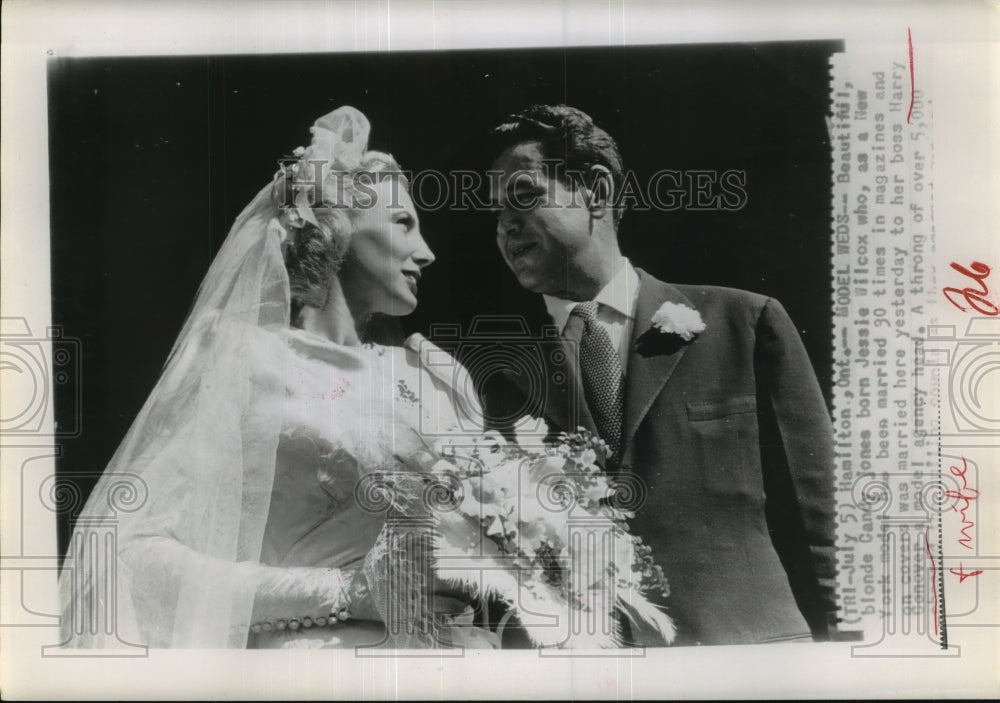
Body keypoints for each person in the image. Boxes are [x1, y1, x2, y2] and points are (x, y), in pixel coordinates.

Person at [59, 106, 488, 649]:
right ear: (337, 224)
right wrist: (348, 591)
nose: (426, 252)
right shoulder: (245, 360)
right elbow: (132, 552)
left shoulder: (438, 376)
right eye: (403, 222)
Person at [482, 104, 837, 646]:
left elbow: (826, 529)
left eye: (525, 195)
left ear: (595, 190)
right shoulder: (491, 378)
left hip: (747, 662)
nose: (506, 224)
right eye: (496, 211)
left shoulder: (743, 323)